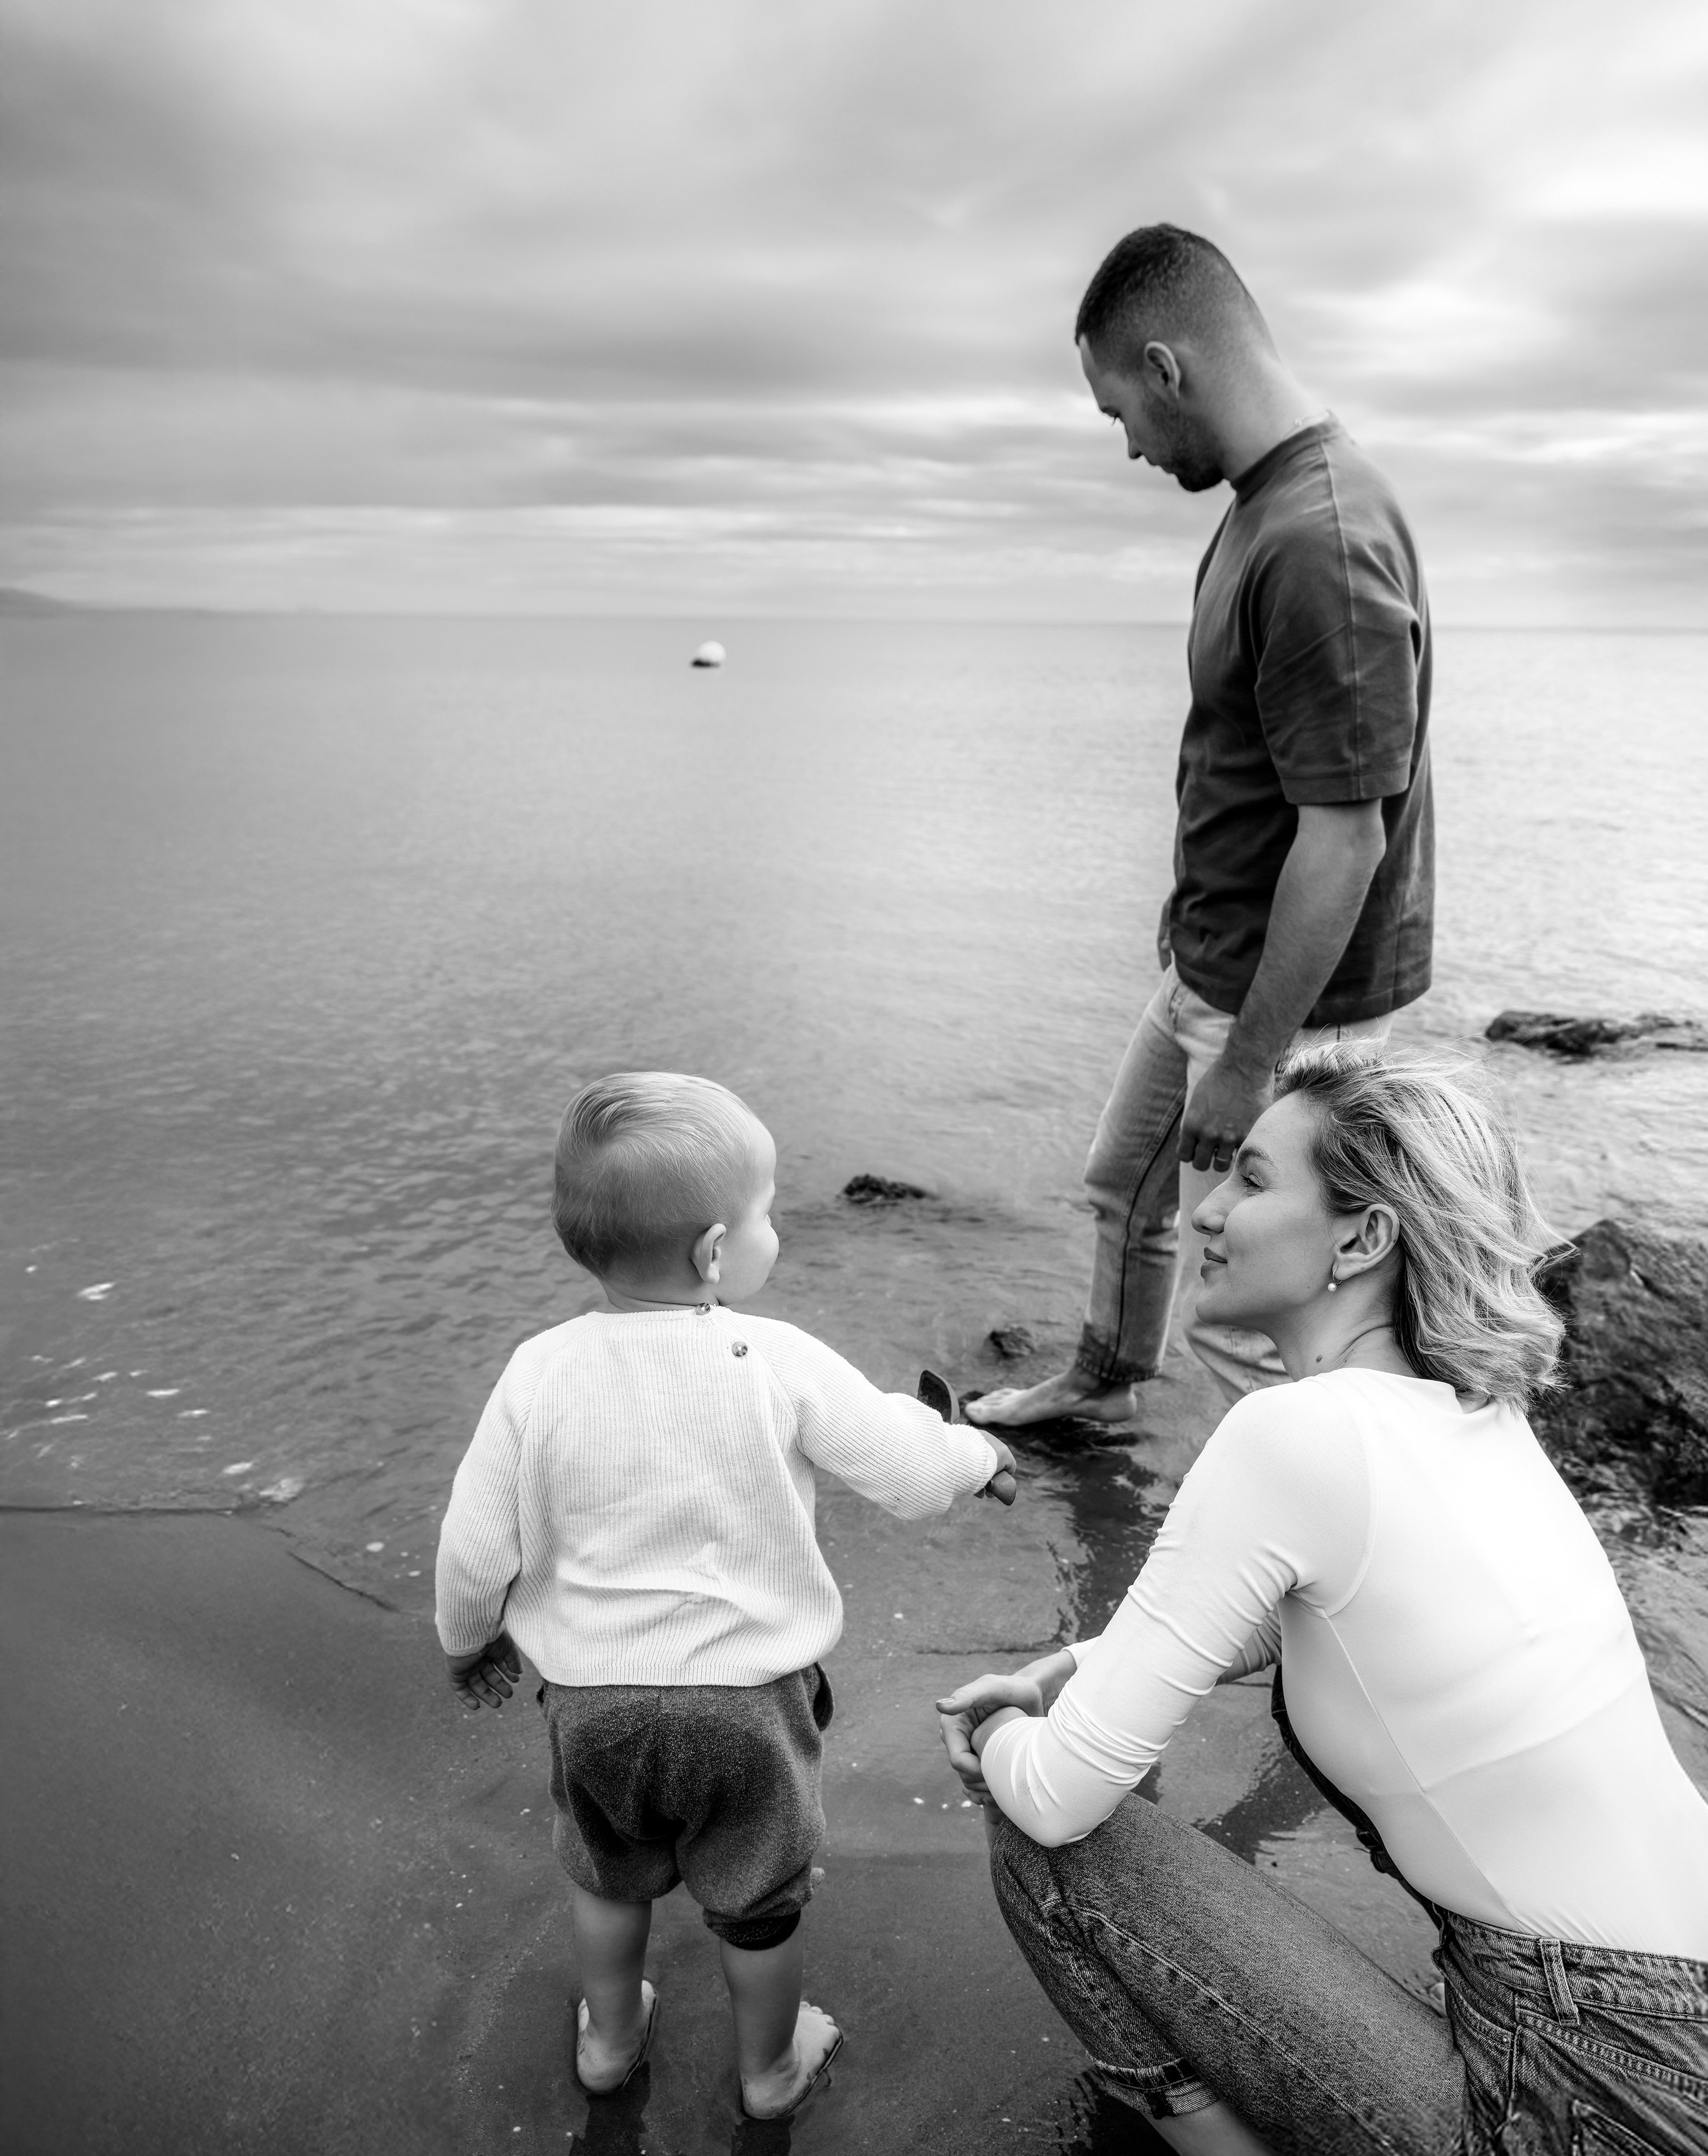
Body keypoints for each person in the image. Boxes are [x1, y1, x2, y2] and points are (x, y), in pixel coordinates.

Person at [938, 1047, 1708, 2156]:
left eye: (1251, 1179)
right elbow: (1343, 1620)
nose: (1206, 1211)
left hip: (1586, 2074)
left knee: (1043, 1848)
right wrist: (1077, 1668)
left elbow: (1059, 1800)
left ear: (1361, 1239)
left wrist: (1000, 1737)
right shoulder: (1474, 1413)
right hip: (1664, 2025)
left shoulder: (1296, 1433)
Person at [435, 1071, 1016, 2122]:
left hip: (593, 1706)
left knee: (607, 1877)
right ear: (714, 1252)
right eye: (769, 1212)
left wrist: (468, 1642)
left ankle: (610, 2043)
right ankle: (770, 2071)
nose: (777, 1229)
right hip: (749, 1710)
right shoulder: (774, 1357)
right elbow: (904, 1465)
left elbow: (476, 1545)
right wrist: (976, 1456)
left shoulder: (538, 1371)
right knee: (759, 1904)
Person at [969, 224, 1433, 1424]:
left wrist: (1246, 1063)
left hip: (1287, 1008)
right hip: (1215, 961)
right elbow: (1245, 766)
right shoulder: (1259, 508)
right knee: (1124, 1185)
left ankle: (1270, 1531)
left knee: (1254, 1313)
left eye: (1119, 410)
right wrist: (1187, 924)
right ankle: (1106, 1387)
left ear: (1167, 369)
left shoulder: (1321, 539)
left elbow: (1348, 837)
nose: (1127, 442)